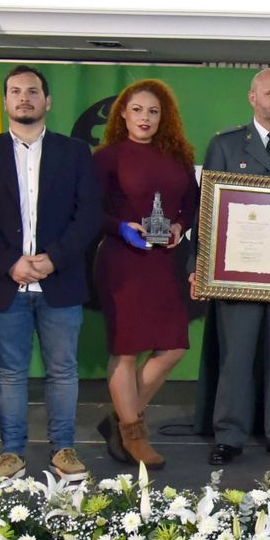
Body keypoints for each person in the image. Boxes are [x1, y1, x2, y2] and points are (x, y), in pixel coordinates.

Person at [0, 65, 101, 482]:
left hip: (60, 280)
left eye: (33, 91)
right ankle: (12, 453)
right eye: (16, 91)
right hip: (5, 283)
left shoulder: (74, 152)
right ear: (5, 101)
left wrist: (54, 258)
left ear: (47, 101)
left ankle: (64, 449)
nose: (24, 97)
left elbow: (88, 213)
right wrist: (10, 262)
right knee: (8, 373)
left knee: (63, 371)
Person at [199, 68, 270, 465]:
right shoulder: (226, 145)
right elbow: (207, 209)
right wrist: (199, 263)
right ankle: (229, 435)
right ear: (252, 98)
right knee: (237, 356)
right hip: (237, 272)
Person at [93, 79, 199, 469]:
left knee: (174, 346)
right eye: (137, 110)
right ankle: (134, 435)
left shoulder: (178, 156)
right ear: (123, 113)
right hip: (122, 262)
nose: (145, 118)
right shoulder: (107, 157)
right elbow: (89, 210)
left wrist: (180, 226)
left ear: (163, 117)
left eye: (153, 111)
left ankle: (121, 420)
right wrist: (120, 227)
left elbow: (192, 203)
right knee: (126, 348)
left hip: (164, 262)